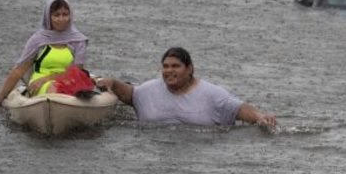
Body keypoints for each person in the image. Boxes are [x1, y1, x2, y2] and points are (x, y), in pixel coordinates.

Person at [97, 47, 277, 128]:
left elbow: (238, 108)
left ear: (190, 69)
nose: (169, 71)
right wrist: (111, 82)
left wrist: (260, 117)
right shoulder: (147, 90)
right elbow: (128, 93)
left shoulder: (212, 94)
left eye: (175, 66)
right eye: (165, 66)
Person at [0, 0, 90, 106]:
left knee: (68, 88)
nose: (61, 19)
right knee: (54, 88)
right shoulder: (38, 40)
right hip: (39, 82)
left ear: (70, 16)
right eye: (56, 15)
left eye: (65, 14)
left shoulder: (78, 40)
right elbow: (19, 70)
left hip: (68, 81)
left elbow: (76, 72)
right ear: (48, 17)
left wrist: (48, 78)